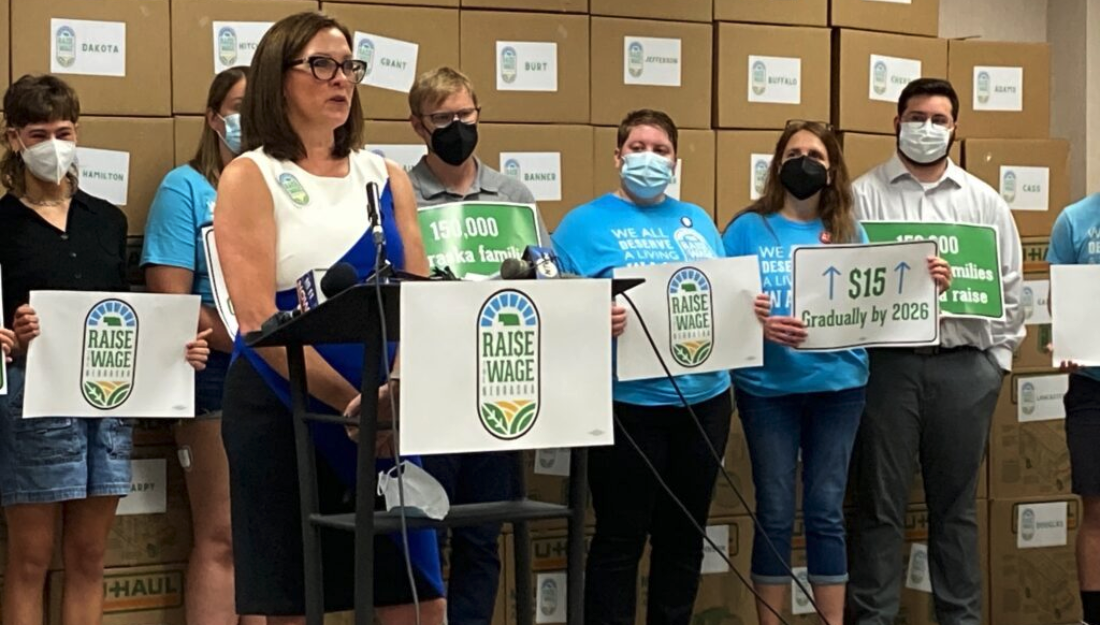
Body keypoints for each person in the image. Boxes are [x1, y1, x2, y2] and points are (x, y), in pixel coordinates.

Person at [212, 12, 444, 625]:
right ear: (277, 77)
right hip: (286, 405)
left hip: (388, 413)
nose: (340, 79)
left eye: (349, 66)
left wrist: (393, 397)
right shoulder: (251, 175)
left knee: (417, 598)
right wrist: (354, 403)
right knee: (299, 599)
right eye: (321, 65)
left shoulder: (386, 175)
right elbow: (258, 317)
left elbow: (419, 300)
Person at [0, 74, 210, 625]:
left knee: (90, 555)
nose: (53, 144)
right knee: (29, 559)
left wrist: (176, 352)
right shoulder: (1, 223)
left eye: (63, 130)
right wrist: (5, 335)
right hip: (32, 401)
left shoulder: (107, 221)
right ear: (13, 137)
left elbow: (128, 319)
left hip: (105, 399)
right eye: (38, 132)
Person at [722, 121, 950, 625]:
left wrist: (927, 281)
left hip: (840, 387)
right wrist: (755, 322)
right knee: (776, 511)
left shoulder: (850, 230)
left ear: (831, 169)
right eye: (795, 152)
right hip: (767, 390)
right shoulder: (744, 229)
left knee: (826, 512)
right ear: (778, 162)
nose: (805, 161)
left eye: (816, 155)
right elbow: (719, 305)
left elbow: (880, 300)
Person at [847, 78, 1025, 625]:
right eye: (916, 116)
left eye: (939, 119)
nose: (927, 127)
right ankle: (873, 618)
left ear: (955, 128)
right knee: (878, 508)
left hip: (964, 370)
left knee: (955, 511)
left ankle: (961, 619)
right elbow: (843, 285)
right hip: (888, 368)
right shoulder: (861, 195)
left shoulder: (984, 202)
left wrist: (995, 365)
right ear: (895, 122)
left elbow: (1012, 291)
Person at [552, 109, 732, 625]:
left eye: (660, 150)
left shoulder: (696, 219)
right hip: (627, 405)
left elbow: (720, 291)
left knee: (684, 537)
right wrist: (590, 316)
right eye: (637, 146)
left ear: (676, 162)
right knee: (619, 540)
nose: (648, 157)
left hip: (704, 400)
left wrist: (749, 308)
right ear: (617, 156)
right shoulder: (582, 225)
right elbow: (556, 311)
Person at [405, 65, 541, 625]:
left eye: (465, 114)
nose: (457, 126)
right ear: (419, 125)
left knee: (483, 535)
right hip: (429, 384)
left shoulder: (512, 194)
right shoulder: (402, 191)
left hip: (498, 385)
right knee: (424, 536)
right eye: (443, 118)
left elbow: (544, 274)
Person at [141, 66, 260, 625]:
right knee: (225, 534)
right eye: (237, 107)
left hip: (283, 372)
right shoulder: (184, 187)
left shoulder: (279, 186)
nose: (248, 118)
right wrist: (245, 339)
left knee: (269, 538)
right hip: (216, 369)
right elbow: (172, 299)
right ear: (214, 118)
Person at [1046, 193, 1100, 625]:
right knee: (1097, 511)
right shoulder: (1075, 220)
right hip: (1091, 389)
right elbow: (1060, 302)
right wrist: (1065, 338)